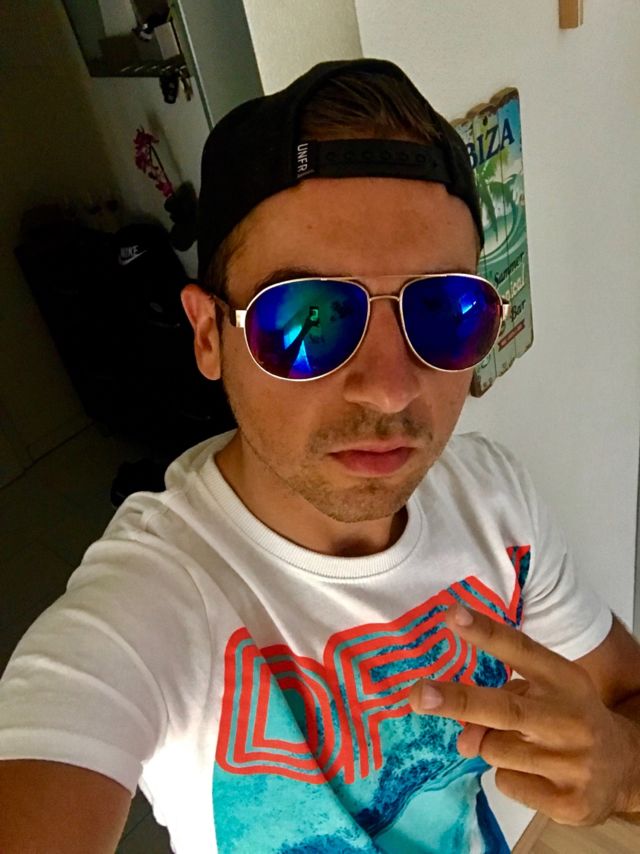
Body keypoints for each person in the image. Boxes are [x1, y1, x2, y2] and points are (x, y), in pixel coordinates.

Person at [1, 58, 640, 854]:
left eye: (443, 312)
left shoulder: (494, 501)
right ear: (208, 335)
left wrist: (623, 769)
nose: (391, 390)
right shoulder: (149, 608)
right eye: (306, 318)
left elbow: (625, 696)